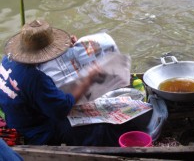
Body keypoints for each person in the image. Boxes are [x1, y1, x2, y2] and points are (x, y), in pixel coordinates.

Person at [0, 19, 137, 146]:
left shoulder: (8, 59)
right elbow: (62, 108)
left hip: (18, 114)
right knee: (98, 130)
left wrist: (72, 50)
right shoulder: (35, 79)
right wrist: (88, 79)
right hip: (36, 129)